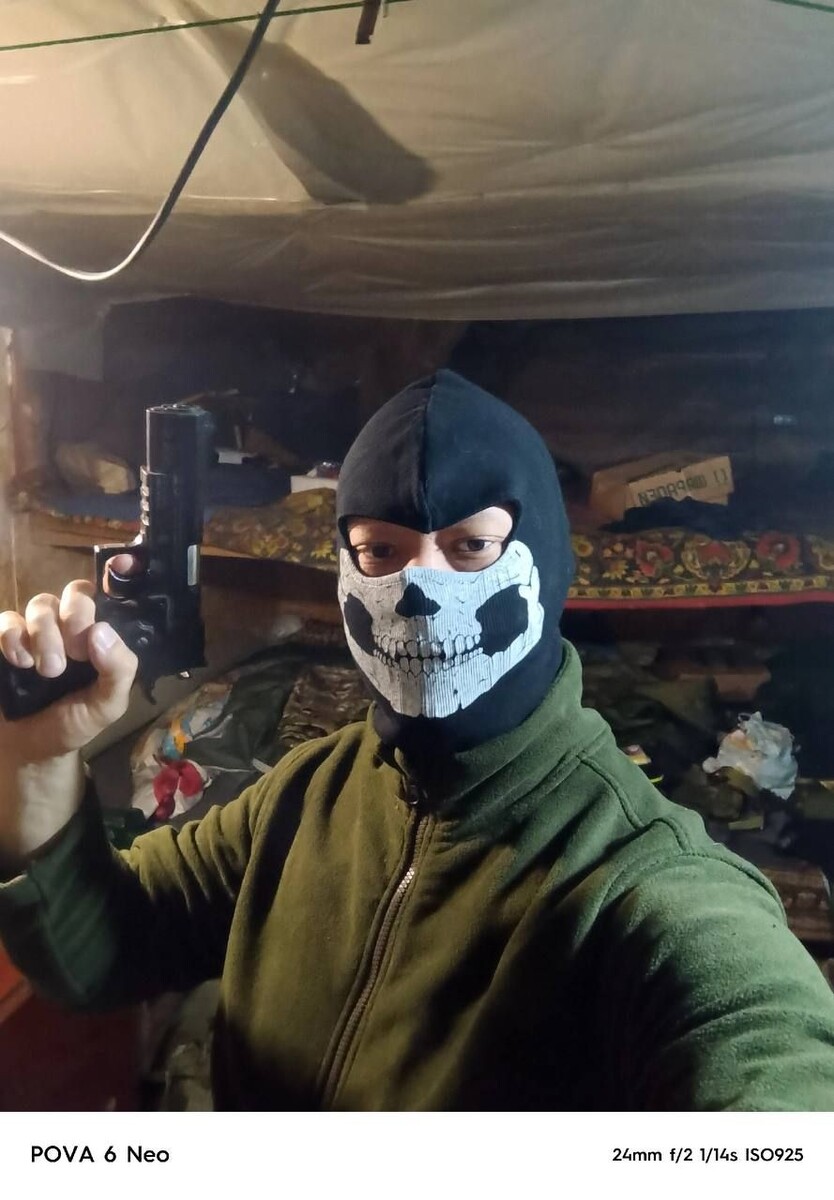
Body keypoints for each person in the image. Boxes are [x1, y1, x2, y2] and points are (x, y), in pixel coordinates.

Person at [1, 368, 834, 1111]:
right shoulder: (306, 794)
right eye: (380, 550)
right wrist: (37, 761)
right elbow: (103, 949)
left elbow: (763, 1057)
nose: (418, 592)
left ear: (544, 560)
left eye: (471, 547)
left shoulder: (646, 890)